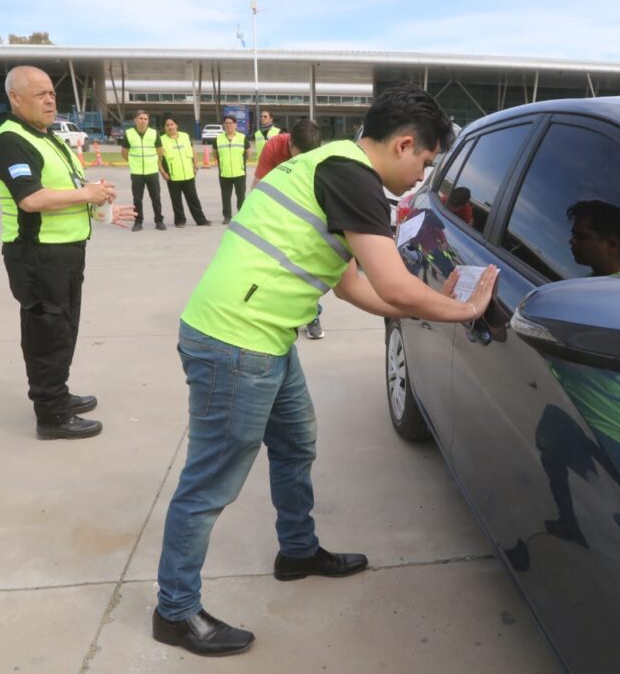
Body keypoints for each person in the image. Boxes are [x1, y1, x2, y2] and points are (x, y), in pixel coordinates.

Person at [153, 83, 499, 657]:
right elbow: (392, 284)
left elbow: (350, 286)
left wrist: (423, 309)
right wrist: (462, 310)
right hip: (236, 343)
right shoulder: (353, 179)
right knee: (209, 483)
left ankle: (297, 550)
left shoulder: (329, 164)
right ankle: (175, 610)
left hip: (264, 335)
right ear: (404, 144)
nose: (422, 177)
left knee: (296, 443)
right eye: (424, 162)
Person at [0, 66, 135, 439]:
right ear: (15, 98)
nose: (50, 100)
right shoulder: (10, 141)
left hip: (65, 251)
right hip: (37, 255)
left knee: (64, 329)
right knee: (47, 333)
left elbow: (66, 189)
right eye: (40, 94)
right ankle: (51, 415)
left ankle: (58, 394)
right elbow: (31, 198)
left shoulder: (48, 137)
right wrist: (87, 194)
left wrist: (100, 208)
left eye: (52, 93)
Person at [251, 118, 325, 337]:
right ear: (290, 144)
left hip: (305, 213)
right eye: (298, 154)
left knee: (307, 268)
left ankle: (312, 315)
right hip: (277, 213)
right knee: (274, 269)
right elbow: (258, 186)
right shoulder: (273, 147)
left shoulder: (317, 155)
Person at [158, 114, 210, 228]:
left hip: (188, 174)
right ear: (164, 127)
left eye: (172, 124)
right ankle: (180, 221)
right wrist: (163, 173)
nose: (170, 127)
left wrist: (196, 165)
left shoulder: (185, 136)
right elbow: (158, 159)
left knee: (193, 199)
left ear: (176, 125)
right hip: (172, 176)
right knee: (176, 201)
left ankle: (201, 220)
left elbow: (192, 151)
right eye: (167, 125)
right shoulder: (161, 140)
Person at [121, 109, 167, 232]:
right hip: (136, 172)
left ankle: (159, 221)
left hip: (152, 171)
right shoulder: (129, 133)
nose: (143, 121)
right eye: (140, 118)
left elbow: (159, 152)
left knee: (156, 197)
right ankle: (138, 222)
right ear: (135, 120)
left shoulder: (154, 133)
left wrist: (156, 165)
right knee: (137, 199)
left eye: (145, 119)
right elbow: (124, 152)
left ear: (148, 121)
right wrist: (133, 162)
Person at [567, 199, 620, 276]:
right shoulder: (594, 277)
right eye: (573, 234)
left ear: (611, 244)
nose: (572, 241)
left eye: (581, 237)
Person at [213, 115, 248, 225]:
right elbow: (214, 153)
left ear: (235, 125)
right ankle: (227, 216)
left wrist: (241, 163)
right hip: (224, 173)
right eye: (226, 123)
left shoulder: (242, 137)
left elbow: (247, 152)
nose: (228, 125)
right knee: (225, 196)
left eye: (231, 123)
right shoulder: (218, 139)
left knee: (241, 195)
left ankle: (241, 215)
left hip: (239, 172)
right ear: (224, 125)